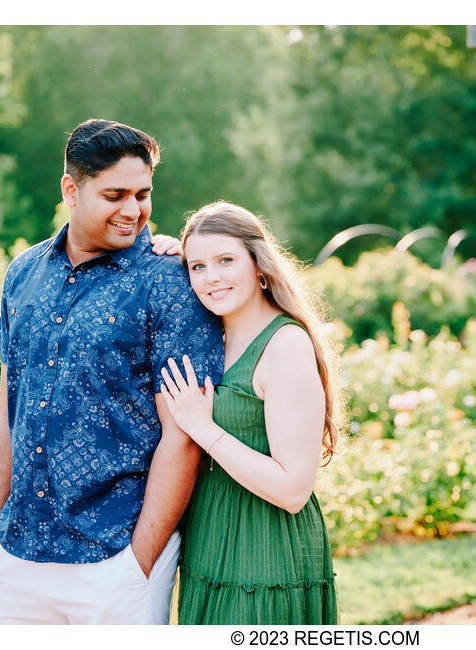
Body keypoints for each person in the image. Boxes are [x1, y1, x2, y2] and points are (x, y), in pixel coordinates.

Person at [0, 119, 224, 624]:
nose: (133, 211)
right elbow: (9, 403)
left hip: (115, 559)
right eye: (115, 194)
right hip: (15, 553)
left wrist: (138, 563)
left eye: (143, 194)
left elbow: (185, 433)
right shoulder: (23, 273)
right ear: (71, 189)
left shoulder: (169, 282)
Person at [151, 201, 340, 624]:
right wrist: (159, 253)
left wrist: (203, 429)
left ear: (258, 264)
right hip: (209, 541)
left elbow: (294, 490)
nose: (211, 277)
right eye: (197, 266)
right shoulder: (208, 333)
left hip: (267, 548)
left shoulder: (284, 345)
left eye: (225, 260)